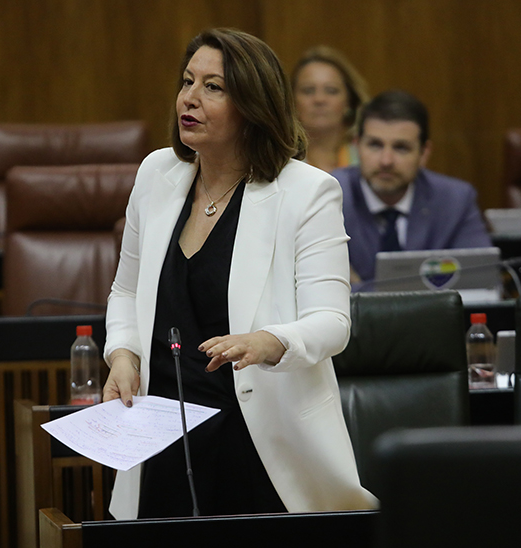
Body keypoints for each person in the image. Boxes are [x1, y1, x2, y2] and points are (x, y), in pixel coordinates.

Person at [101, 28, 377, 520]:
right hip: (161, 434)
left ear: (253, 105)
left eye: (213, 87)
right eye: (188, 81)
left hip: (257, 440)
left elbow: (333, 321)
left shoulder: (307, 193)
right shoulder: (156, 175)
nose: (189, 98)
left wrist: (269, 341)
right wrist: (122, 355)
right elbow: (125, 290)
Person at [332, 90, 492, 285]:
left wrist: (359, 287)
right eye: (375, 145)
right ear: (357, 146)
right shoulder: (331, 196)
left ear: (424, 153)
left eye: (401, 147)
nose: (386, 161)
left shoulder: (455, 200)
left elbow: (479, 284)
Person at [291, 45, 368, 172]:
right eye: (308, 90)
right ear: (292, 101)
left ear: (349, 101)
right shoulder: (281, 163)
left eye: (331, 91)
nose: (319, 99)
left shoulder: (368, 158)